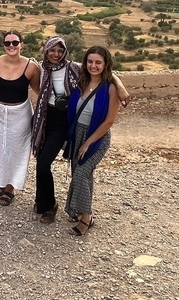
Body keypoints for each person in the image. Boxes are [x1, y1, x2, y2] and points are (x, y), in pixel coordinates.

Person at [31, 36, 130, 223]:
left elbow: (100, 70)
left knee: (45, 163)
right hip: (44, 118)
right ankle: (43, 201)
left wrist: (120, 85)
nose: (56, 54)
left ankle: (51, 206)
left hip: (64, 120)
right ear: (46, 50)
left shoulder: (73, 67)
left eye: (60, 50)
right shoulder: (41, 68)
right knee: (40, 163)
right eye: (52, 50)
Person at [63, 46, 120, 235]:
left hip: (97, 138)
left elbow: (109, 121)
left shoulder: (111, 88)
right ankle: (77, 210)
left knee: (81, 174)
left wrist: (88, 143)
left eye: (98, 62)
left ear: (105, 65)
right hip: (77, 134)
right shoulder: (81, 82)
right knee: (82, 176)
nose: (93, 66)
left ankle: (87, 218)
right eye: (90, 61)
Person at [0, 30, 40, 206]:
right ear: (3, 45)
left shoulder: (31, 67)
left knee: (17, 150)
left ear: (21, 45)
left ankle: (10, 187)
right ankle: (0, 183)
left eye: (15, 43)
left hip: (21, 113)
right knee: (0, 148)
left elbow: (40, 90)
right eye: (8, 43)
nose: (11, 46)